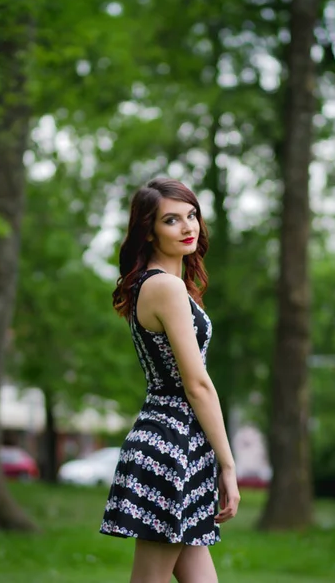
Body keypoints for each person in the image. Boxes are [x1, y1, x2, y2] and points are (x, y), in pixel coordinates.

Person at [100, 178, 240, 583]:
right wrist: (228, 466)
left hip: (182, 445)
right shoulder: (165, 287)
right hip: (170, 449)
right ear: (149, 231)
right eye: (171, 220)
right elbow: (197, 384)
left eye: (191, 215)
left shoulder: (165, 286)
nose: (187, 227)